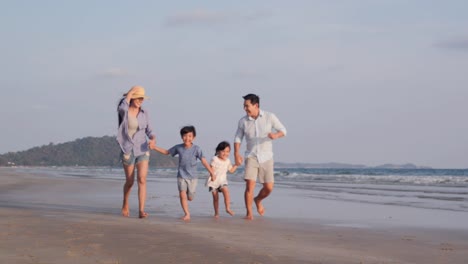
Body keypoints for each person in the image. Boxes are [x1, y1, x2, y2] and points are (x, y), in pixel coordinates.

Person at [234, 93, 287, 220]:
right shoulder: (243, 121)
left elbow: (283, 131)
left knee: (269, 188)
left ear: (256, 105)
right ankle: (249, 213)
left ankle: (257, 200)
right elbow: (238, 138)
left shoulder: (270, 117)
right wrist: (236, 153)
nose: (245, 108)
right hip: (251, 156)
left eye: (247, 106)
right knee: (249, 186)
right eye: (244, 106)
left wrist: (275, 135)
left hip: (266, 157)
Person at [149, 125, 215, 221]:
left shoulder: (197, 149)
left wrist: (212, 173)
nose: (187, 138)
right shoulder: (178, 147)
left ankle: (190, 194)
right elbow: (167, 152)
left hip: (193, 177)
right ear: (181, 137)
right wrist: (154, 147)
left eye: (189, 136)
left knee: (190, 197)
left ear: (193, 137)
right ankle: (187, 214)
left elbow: (204, 161)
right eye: (184, 136)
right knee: (182, 194)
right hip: (181, 176)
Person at [116, 85, 156, 219]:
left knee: (142, 179)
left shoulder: (145, 113)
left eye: (142, 98)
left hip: (143, 148)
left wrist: (152, 139)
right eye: (138, 98)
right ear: (132, 98)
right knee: (130, 181)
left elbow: (150, 131)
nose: (140, 100)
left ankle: (141, 210)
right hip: (127, 148)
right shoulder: (124, 110)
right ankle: (125, 202)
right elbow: (122, 107)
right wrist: (131, 92)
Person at [205, 141, 239, 218]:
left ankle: (227, 208)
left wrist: (237, 164)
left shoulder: (228, 161)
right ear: (218, 151)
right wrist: (212, 175)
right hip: (213, 181)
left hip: (222, 180)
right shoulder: (215, 159)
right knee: (215, 198)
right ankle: (216, 213)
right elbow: (211, 168)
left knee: (226, 191)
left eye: (227, 151)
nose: (225, 153)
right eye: (223, 151)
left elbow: (231, 170)